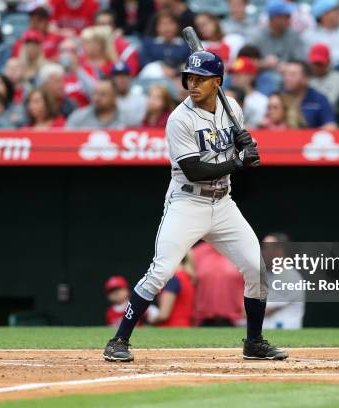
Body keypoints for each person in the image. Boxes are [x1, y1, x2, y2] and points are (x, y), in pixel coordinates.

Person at [103, 50, 288, 362]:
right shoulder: (179, 119)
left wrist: (244, 144)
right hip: (187, 201)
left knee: (256, 268)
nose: (192, 83)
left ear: (217, 82)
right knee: (160, 271)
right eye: (189, 77)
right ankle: (118, 340)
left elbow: (233, 150)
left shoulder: (234, 110)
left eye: (200, 78)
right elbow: (195, 169)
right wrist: (238, 161)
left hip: (223, 202)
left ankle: (254, 342)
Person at [192, 241, 245, 327]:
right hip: (202, 321)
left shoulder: (243, 252)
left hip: (236, 322)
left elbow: (254, 283)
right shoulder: (196, 253)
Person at [261, 233, 305, 329]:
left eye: (266, 248)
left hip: (284, 340)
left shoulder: (289, 276)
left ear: (279, 250)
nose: (262, 252)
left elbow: (262, 311)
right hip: (267, 337)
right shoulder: (268, 275)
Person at [282, 60, 337, 129]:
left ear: (305, 78)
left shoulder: (319, 99)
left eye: (292, 75)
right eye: (285, 74)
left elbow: (331, 127)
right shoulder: (279, 98)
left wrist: (309, 135)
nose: (287, 78)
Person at [146, 254, 195, 327]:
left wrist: (150, 319)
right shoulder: (188, 277)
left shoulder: (174, 279)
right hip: (185, 327)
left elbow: (164, 315)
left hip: (171, 329)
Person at [94, 10, 140, 76]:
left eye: (109, 24)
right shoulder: (87, 47)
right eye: (102, 24)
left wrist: (115, 59)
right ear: (95, 26)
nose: (106, 27)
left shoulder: (126, 48)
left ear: (114, 26)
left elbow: (131, 73)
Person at [228, 56, 268, 129]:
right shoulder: (227, 98)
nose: (233, 78)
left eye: (238, 75)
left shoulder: (263, 101)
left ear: (251, 76)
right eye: (232, 74)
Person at [307, 43, 339, 107]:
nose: (316, 67)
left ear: (328, 61)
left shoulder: (338, 78)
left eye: (319, 64)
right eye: (314, 63)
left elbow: (329, 104)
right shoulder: (305, 78)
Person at [58, 37, 92, 108]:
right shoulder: (55, 74)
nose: (67, 54)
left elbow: (94, 93)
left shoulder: (88, 69)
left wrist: (77, 70)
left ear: (78, 53)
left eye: (72, 51)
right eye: (63, 51)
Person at [111, 62, 146, 127]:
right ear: (112, 79)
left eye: (124, 76)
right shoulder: (107, 99)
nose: (121, 80)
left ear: (130, 77)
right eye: (117, 76)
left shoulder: (140, 98)